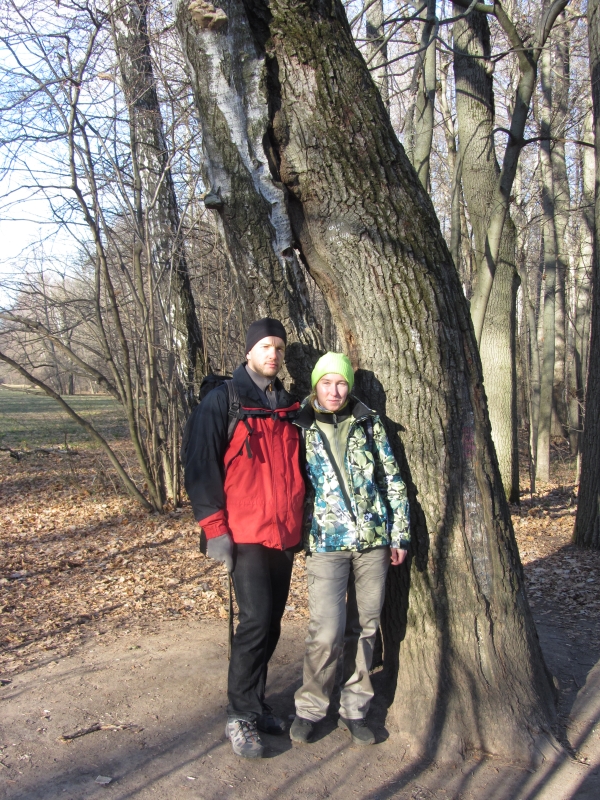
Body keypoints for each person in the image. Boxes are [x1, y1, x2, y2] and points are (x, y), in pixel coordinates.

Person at [184, 318, 305, 759]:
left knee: (270, 624)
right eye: (265, 346)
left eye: (279, 347)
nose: (273, 354)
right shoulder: (224, 400)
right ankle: (239, 715)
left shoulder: (288, 405)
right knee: (254, 621)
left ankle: (255, 704)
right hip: (244, 531)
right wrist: (214, 529)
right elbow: (200, 466)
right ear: (249, 351)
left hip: (283, 532)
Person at [290, 352, 410, 746]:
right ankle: (310, 709)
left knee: (365, 628)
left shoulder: (369, 423)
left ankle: (355, 709)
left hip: (373, 543)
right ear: (315, 386)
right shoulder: (299, 425)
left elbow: (392, 480)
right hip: (325, 544)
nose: (334, 390)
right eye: (326, 382)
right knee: (326, 630)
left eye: (341, 382)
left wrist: (399, 535)